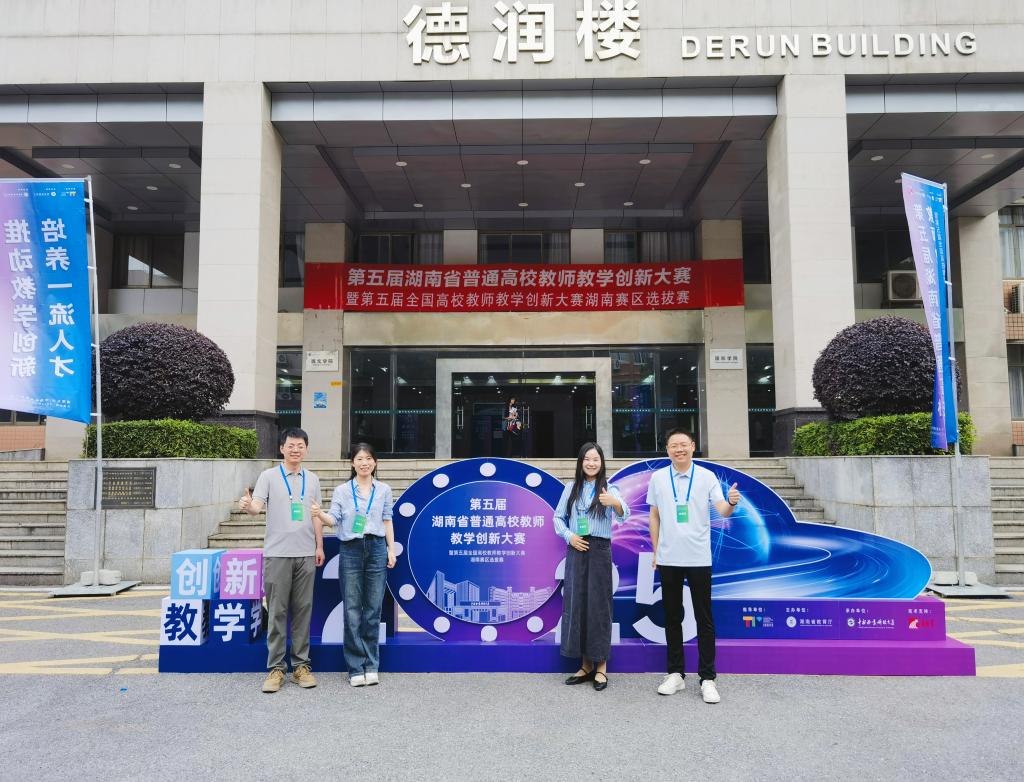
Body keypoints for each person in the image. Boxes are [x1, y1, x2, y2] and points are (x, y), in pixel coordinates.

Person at [646, 428, 740, 704]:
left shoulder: (706, 476)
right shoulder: (658, 478)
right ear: (667, 450)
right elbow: (654, 516)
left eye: (683, 444)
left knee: (704, 619)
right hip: (668, 558)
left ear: (692, 446)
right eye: (673, 445)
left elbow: (722, 510)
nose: (679, 449)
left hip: (698, 558)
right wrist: (656, 551)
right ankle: (675, 674)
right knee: (672, 617)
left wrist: (732, 503)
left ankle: (707, 678)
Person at [240, 427, 326, 694]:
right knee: (277, 611)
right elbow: (256, 507)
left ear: (306, 449)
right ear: (281, 448)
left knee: (303, 611)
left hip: (305, 554)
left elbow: (316, 515)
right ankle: (276, 668)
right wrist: (248, 506)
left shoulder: (313, 479)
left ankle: (301, 666)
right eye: (291, 445)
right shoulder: (268, 476)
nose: (295, 450)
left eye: (300, 445)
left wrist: (319, 545)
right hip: (277, 554)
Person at [553, 442, 629, 691]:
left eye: (596, 459)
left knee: (599, 607)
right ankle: (585, 666)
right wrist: (569, 536)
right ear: (580, 462)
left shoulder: (609, 488)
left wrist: (614, 502)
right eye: (587, 459)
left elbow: (624, 514)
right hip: (577, 547)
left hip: (599, 549)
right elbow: (558, 518)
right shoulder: (570, 488)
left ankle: (601, 668)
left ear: (602, 462)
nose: (591, 463)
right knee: (577, 604)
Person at [323, 442, 397, 686]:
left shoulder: (384, 489)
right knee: (352, 608)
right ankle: (355, 667)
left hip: (376, 548)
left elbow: (387, 520)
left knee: (373, 608)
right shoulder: (342, 490)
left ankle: (371, 664)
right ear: (352, 463)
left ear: (375, 462)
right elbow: (333, 519)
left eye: (368, 458)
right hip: (351, 549)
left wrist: (390, 550)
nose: (364, 463)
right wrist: (320, 515)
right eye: (359, 459)